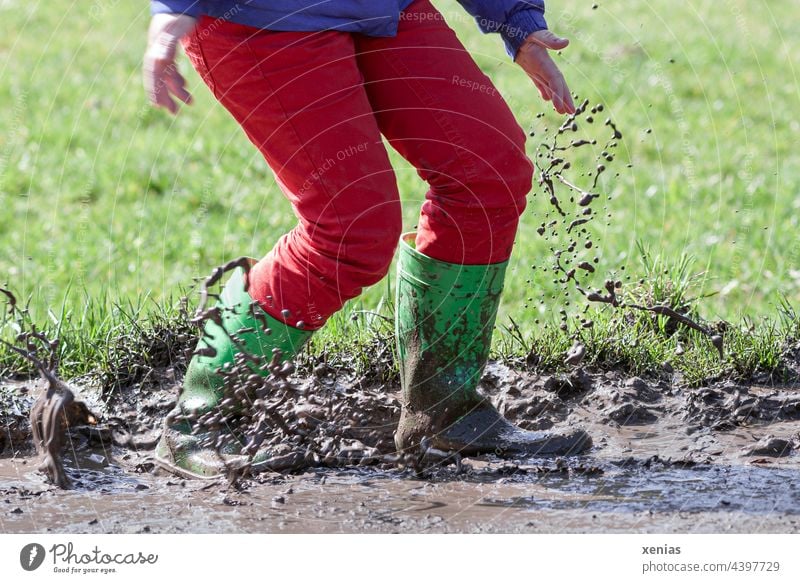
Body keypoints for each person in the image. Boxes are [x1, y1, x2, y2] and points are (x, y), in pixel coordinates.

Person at [144, 0, 591, 478]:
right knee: (351, 228)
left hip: (384, 7)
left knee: (487, 173)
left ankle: (445, 409)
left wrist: (514, 18)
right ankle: (201, 417)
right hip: (261, 18)